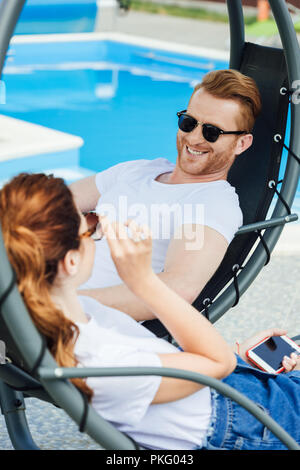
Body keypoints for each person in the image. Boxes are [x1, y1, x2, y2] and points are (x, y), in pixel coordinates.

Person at [1, 172, 300, 451]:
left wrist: (242, 364)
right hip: (248, 423)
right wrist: (142, 280)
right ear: (70, 263)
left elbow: (200, 365)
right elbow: (217, 363)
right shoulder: (103, 363)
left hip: (228, 392)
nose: (99, 227)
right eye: (89, 227)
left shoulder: (49, 314)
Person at [70, 69, 262, 320]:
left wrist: (63, 303)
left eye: (212, 132)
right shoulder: (138, 170)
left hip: (74, 317)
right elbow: (53, 201)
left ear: (241, 143)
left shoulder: (212, 203)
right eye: (189, 123)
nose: (194, 138)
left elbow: (177, 289)